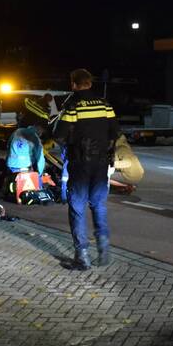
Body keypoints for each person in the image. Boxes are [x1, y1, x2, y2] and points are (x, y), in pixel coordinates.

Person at [53, 68, 119, 270]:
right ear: (90, 83)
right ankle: (104, 249)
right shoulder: (105, 105)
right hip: (101, 164)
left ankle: (82, 256)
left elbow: (59, 135)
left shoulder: (73, 107)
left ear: (73, 84)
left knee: (77, 207)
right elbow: (115, 132)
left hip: (80, 164)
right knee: (98, 205)